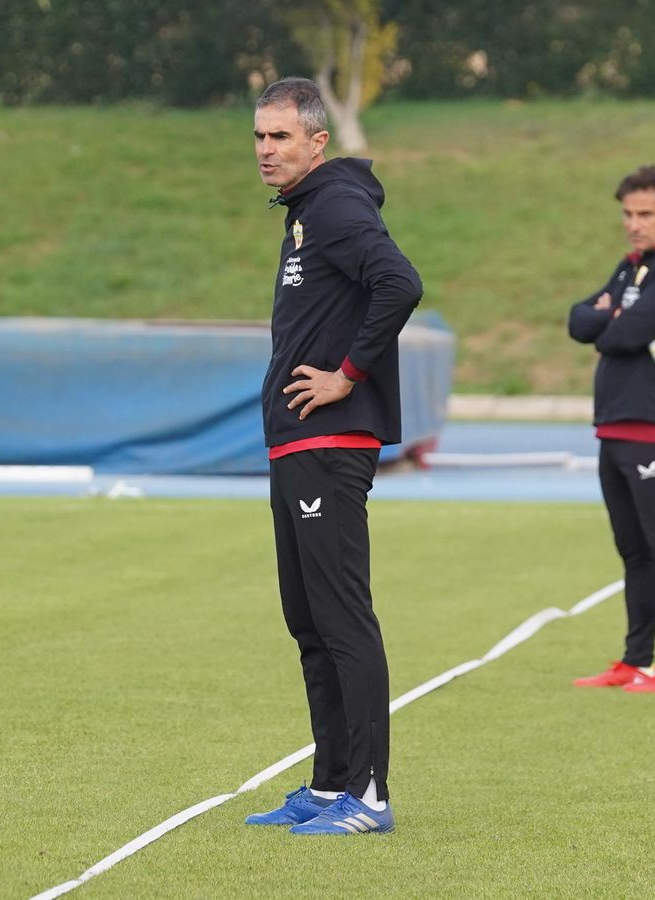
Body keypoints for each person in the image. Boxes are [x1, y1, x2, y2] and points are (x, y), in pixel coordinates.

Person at [242, 76, 422, 835]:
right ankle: (328, 784)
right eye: (257, 136)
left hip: (328, 443)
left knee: (342, 616)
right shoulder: (305, 219)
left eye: (279, 137)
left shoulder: (339, 206)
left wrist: (347, 375)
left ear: (318, 142)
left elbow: (400, 284)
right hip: (295, 444)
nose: (264, 150)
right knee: (308, 618)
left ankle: (370, 797)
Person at [567, 165, 655, 694]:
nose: (634, 224)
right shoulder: (633, 268)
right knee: (633, 550)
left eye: (645, 214)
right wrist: (608, 318)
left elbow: (620, 335)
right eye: (627, 214)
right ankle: (636, 661)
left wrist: (610, 319)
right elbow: (578, 321)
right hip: (615, 425)